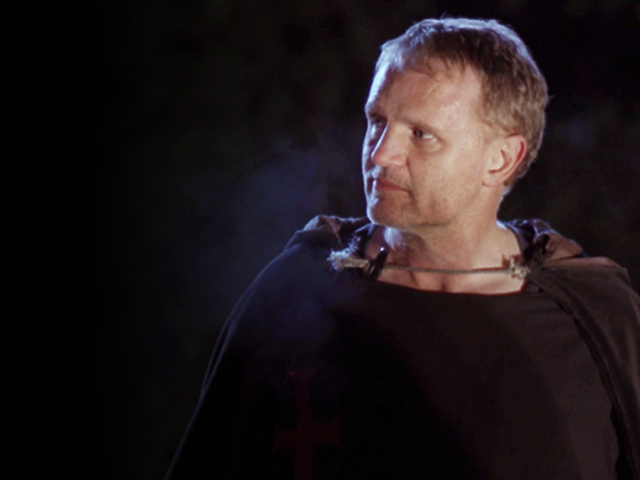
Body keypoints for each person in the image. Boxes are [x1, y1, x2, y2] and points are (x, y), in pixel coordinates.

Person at [166, 18, 640, 480]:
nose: (380, 154)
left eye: (421, 134)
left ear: (500, 159)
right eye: (377, 121)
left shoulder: (595, 318)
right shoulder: (298, 289)